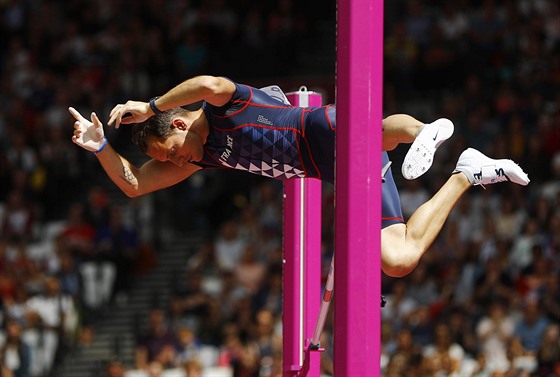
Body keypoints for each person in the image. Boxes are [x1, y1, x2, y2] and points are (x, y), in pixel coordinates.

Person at [69, 75, 529, 277]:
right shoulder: (200, 157)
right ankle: (467, 173)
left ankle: (425, 131)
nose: (172, 163)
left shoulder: (223, 105)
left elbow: (208, 82)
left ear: (179, 123)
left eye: (169, 153)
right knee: (398, 260)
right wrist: (101, 147)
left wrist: (148, 106)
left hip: (316, 130)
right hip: (333, 173)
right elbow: (133, 184)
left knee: (371, 134)